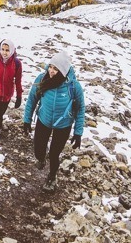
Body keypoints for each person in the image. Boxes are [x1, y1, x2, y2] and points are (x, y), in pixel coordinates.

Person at [22, 50, 86, 191]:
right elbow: (32, 99)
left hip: (63, 125)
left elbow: (80, 109)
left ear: (63, 70)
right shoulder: (42, 79)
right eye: (50, 66)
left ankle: (52, 177)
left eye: (56, 69)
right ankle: (41, 157)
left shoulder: (74, 87)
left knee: (54, 154)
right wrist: (27, 120)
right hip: (44, 120)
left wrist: (78, 132)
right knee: (38, 150)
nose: (51, 71)